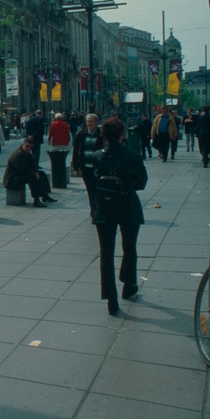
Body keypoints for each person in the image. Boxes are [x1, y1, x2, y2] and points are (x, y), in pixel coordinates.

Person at [91, 118, 148, 316]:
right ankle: (129, 285)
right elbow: (142, 182)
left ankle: (111, 300)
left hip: (104, 207)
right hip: (128, 206)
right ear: (123, 134)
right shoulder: (133, 156)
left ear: (104, 135)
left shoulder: (98, 156)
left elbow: (94, 180)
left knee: (106, 254)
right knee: (129, 247)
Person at [3, 138, 56, 208]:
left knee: (42, 173)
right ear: (23, 145)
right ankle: (36, 200)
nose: (28, 148)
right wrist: (35, 174)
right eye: (27, 146)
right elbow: (22, 170)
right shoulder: (18, 155)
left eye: (30, 147)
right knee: (32, 177)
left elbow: (33, 165)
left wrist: (36, 172)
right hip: (12, 179)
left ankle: (45, 195)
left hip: (19, 175)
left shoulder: (27, 153)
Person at [71, 114, 104, 203]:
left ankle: (98, 207)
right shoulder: (81, 134)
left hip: (98, 168)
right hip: (85, 168)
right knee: (90, 189)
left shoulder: (102, 135)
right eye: (87, 121)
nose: (89, 123)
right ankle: (93, 208)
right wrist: (75, 168)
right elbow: (75, 151)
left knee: (98, 189)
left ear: (97, 122)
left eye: (91, 121)